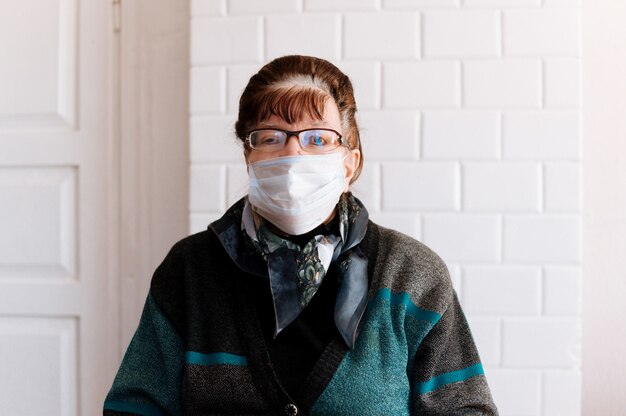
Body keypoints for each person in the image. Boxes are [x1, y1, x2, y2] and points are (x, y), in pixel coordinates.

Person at [104, 55, 498, 416]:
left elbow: (465, 409)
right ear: (248, 157)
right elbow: (135, 406)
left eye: (318, 139)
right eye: (271, 137)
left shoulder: (412, 275)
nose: (293, 156)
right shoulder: (190, 271)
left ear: (349, 163)